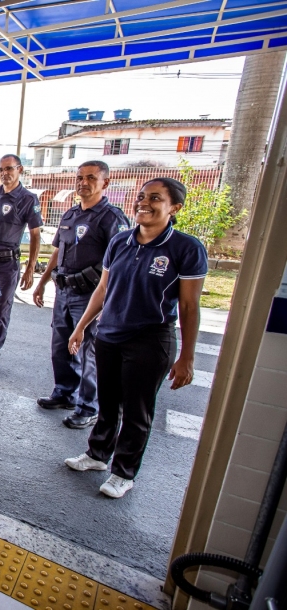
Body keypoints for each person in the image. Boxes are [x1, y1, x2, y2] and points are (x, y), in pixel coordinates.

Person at [64, 178, 207, 499]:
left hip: (150, 340)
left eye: (155, 198)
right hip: (109, 334)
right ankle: (97, 456)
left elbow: (188, 305)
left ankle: (123, 473)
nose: (144, 203)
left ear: (175, 208)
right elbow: (103, 289)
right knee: (108, 402)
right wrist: (82, 325)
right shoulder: (120, 242)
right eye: (141, 197)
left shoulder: (186, 248)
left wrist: (187, 356)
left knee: (137, 410)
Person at [32, 161, 130, 429]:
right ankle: (65, 393)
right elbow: (57, 252)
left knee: (89, 351)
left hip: (90, 295)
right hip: (63, 291)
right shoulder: (70, 214)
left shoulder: (112, 217)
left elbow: (121, 259)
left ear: (105, 183)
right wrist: (42, 283)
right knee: (61, 344)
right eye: (79, 178)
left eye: (90, 178)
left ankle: (88, 406)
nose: (83, 183)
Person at [0, 154, 43, 376]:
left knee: (1, 308)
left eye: (9, 169)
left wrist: (31, 267)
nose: (5, 173)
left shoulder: (28, 199)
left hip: (6, 264)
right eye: (1, 169)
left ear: (20, 169)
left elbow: (35, 235)